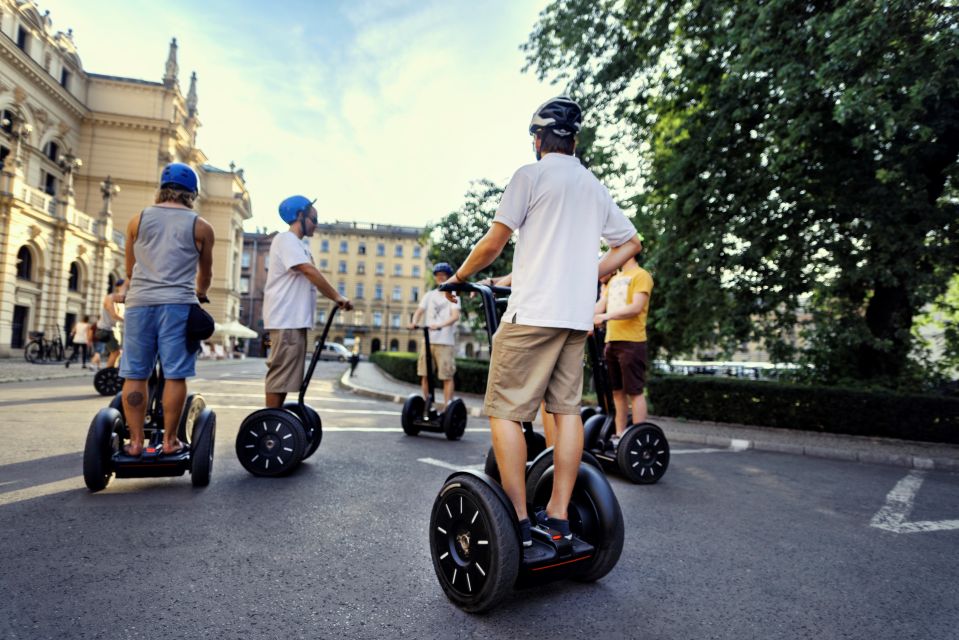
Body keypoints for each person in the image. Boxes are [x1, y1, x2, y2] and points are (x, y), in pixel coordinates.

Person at [443, 96, 643, 547]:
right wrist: (585, 274)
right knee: (566, 411)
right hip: (573, 319)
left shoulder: (529, 176)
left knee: (504, 411)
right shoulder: (592, 185)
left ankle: (515, 518)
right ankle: (557, 517)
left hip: (531, 314)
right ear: (575, 140)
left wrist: (458, 278)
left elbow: (494, 243)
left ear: (538, 140)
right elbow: (629, 243)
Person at [116, 162, 215, 457]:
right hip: (178, 306)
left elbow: (130, 269)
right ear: (192, 194)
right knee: (174, 374)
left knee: (135, 372)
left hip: (139, 304)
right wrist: (200, 294)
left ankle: (134, 443)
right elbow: (206, 274)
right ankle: (170, 441)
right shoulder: (201, 226)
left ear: (162, 188)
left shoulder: (138, 220)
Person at [262, 195, 352, 408]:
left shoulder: (300, 246)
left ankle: (276, 420)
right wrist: (337, 297)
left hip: (294, 320)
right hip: (286, 318)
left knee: (286, 377)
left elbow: (310, 273)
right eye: (314, 219)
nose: (317, 224)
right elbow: (308, 270)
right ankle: (270, 425)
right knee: (280, 375)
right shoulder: (286, 240)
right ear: (300, 216)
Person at [593, 252, 653, 445]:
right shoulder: (615, 280)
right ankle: (620, 435)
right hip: (612, 341)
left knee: (634, 392)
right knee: (617, 393)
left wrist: (605, 317)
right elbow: (599, 307)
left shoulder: (641, 275)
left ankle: (638, 438)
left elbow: (636, 307)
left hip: (632, 342)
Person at [409, 262, 461, 410]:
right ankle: (428, 406)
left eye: (443, 276)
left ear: (448, 277)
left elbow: (455, 316)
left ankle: (447, 408)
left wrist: (440, 325)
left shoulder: (453, 295)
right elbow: (419, 311)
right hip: (428, 341)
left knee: (447, 376)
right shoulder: (429, 295)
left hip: (445, 342)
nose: (441, 278)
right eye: (438, 276)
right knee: (425, 375)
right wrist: (414, 322)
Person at [96, 278, 125, 368]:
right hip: (104, 330)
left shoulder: (115, 301)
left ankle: (111, 370)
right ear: (119, 288)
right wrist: (128, 321)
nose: (124, 298)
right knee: (116, 352)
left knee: (116, 352)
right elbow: (113, 315)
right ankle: (108, 371)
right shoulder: (109, 298)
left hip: (108, 329)